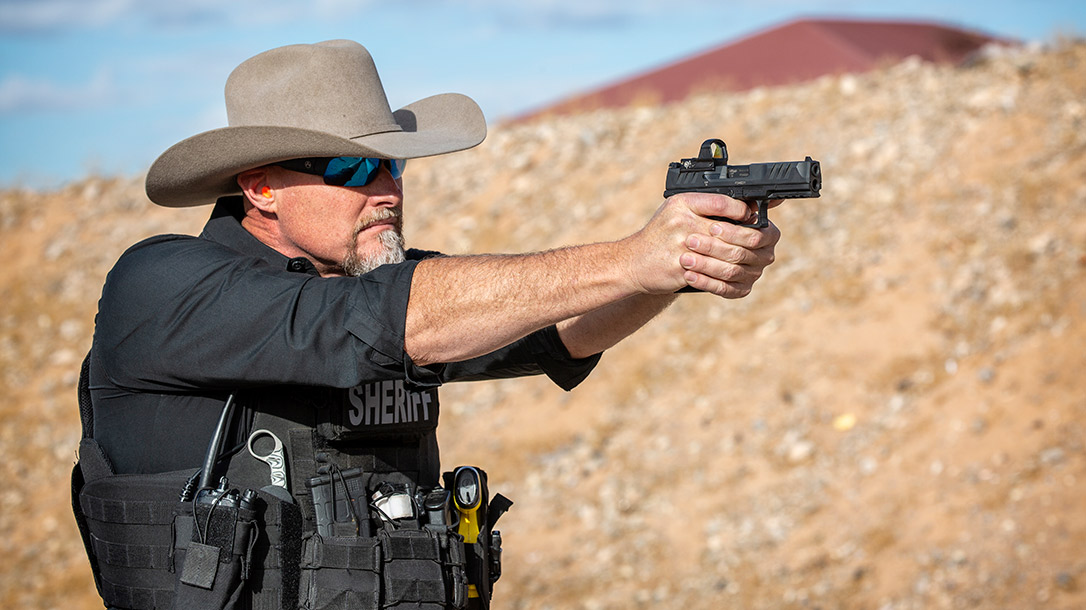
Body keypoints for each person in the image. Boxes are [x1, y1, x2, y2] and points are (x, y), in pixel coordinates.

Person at [72, 40, 781, 610]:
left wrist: (678, 265)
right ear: (261, 187)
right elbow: (381, 319)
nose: (387, 189)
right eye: (351, 167)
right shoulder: (164, 286)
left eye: (393, 164)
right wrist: (631, 257)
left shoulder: (389, 294)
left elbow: (560, 331)